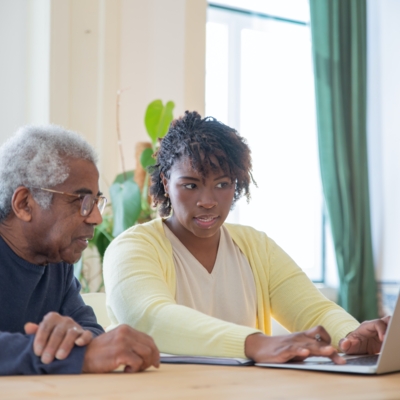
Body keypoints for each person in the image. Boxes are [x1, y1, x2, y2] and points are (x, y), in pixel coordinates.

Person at [103, 111, 389, 364]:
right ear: (166, 182)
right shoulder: (132, 248)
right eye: (190, 185)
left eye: (222, 184)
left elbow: (312, 310)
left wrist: (351, 336)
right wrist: (256, 343)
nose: (208, 201)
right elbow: (150, 318)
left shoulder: (256, 247)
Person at [0, 125, 159, 375]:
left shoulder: (56, 260)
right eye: (82, 202)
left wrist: (73, 338)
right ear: (24, 204)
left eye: (96, 202)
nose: (96, 217)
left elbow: (89, 331)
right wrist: (72, 356)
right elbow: (89, 350)